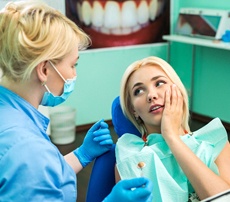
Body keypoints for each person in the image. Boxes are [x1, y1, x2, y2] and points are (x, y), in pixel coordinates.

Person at [0, 1, 153, 201]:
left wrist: (82, 154)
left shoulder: (12, 120)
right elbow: (33, 168)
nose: (74, 74)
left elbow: (41, 177)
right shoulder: (27, 150)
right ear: (44, 70)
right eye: (73, 65)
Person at [115, 56, 230, 201]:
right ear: (133, 110)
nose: (151, 95)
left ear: (179, 91)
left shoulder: (215, 143)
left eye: (159, 83)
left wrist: (172, 137)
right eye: (138, 91)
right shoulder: (130, 159)